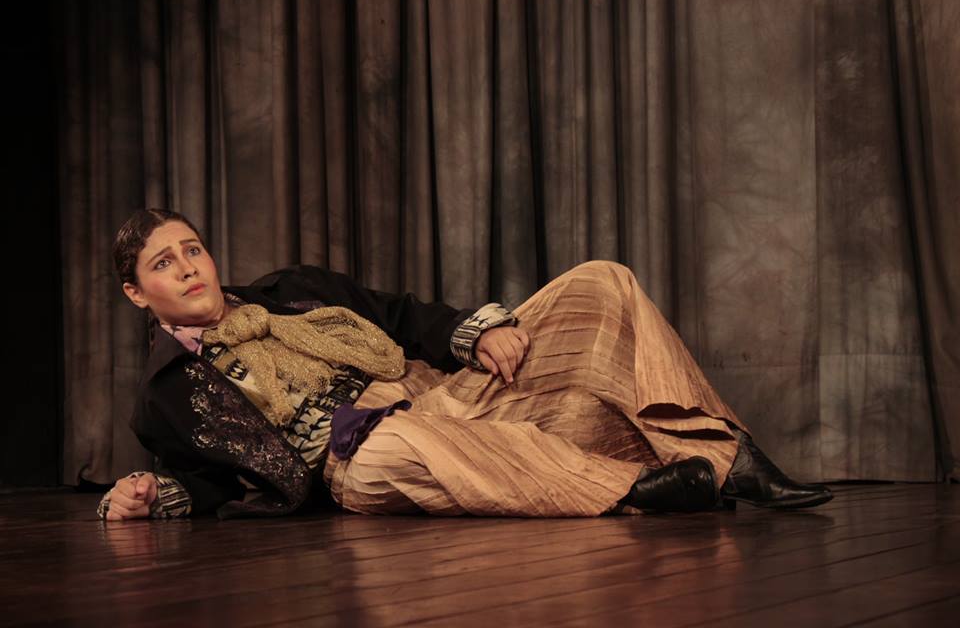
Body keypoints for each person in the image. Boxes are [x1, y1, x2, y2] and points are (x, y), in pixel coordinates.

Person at [98, 209, 832, 521]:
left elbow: (399, 317)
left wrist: (471, 335)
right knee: (396, 440)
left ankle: (726, 458)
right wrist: (154, 494)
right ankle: (633, 491)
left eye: (193, 249)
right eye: (164, 263)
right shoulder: (165, 394)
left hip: (435, 395)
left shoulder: (293, 289)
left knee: (600, 283)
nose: (188, 267)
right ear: (136, 293)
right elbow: (217, 480)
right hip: (357, 455)